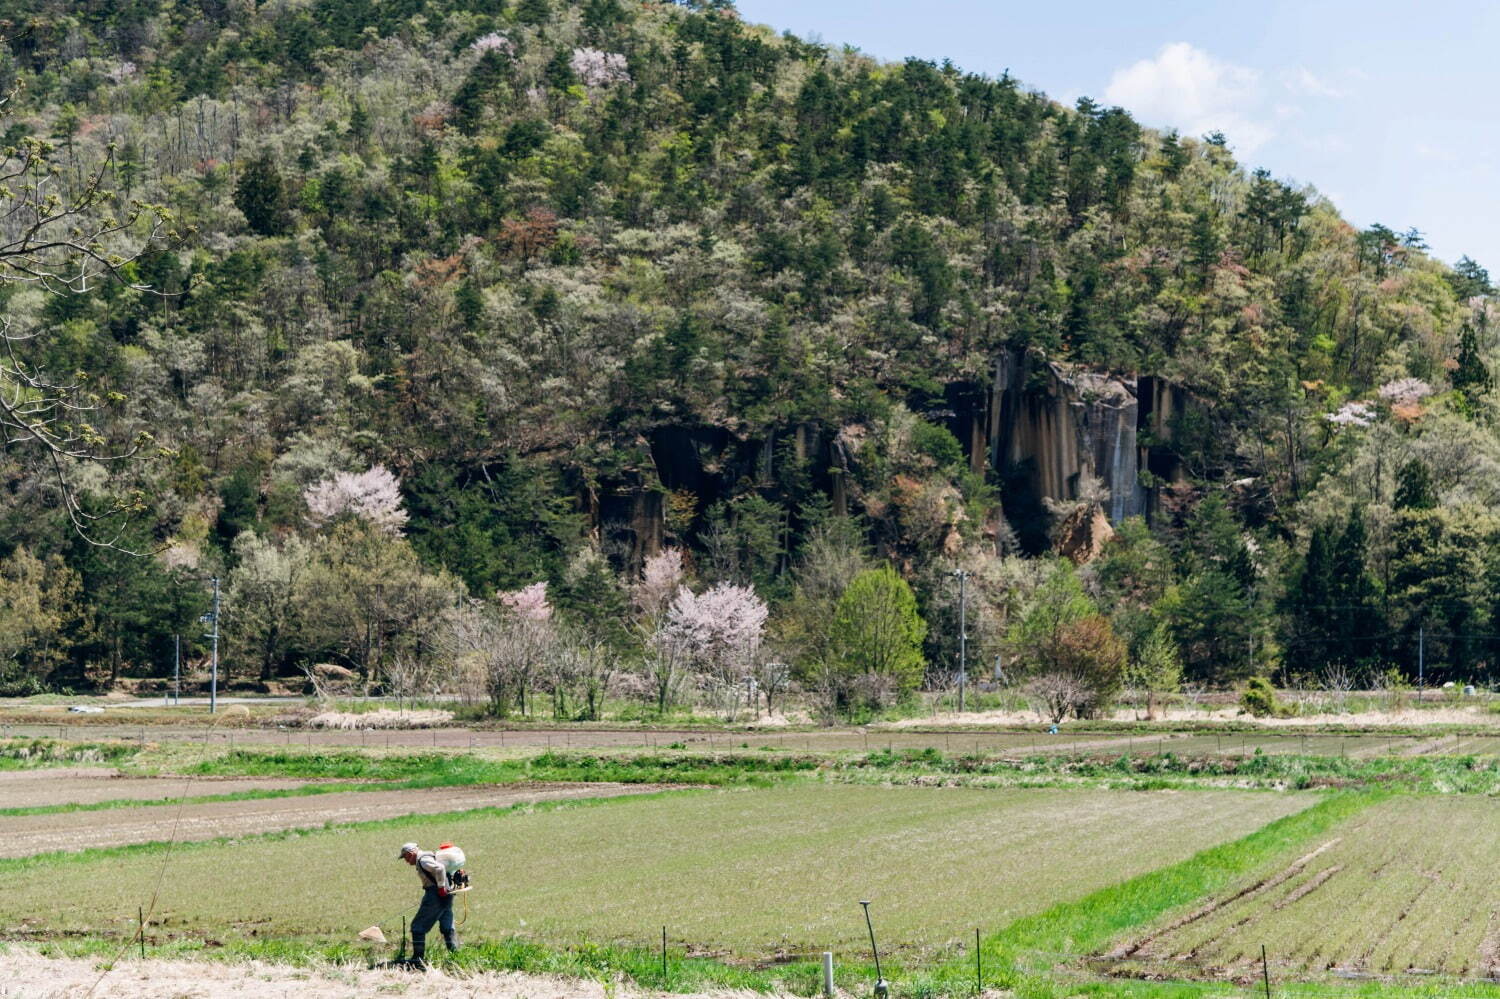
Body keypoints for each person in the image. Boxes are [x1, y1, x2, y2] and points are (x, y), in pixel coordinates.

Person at [397, 842, 459, 967]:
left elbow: (440, 869)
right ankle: (456, 958)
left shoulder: (423, 860)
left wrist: (441, 887)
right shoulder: (430, 856)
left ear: (410, 853)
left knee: (417, 927)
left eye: (405, 857)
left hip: (437, 895)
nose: (406, 861)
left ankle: (417, 961)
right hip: (447, 895)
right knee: (447, 927)